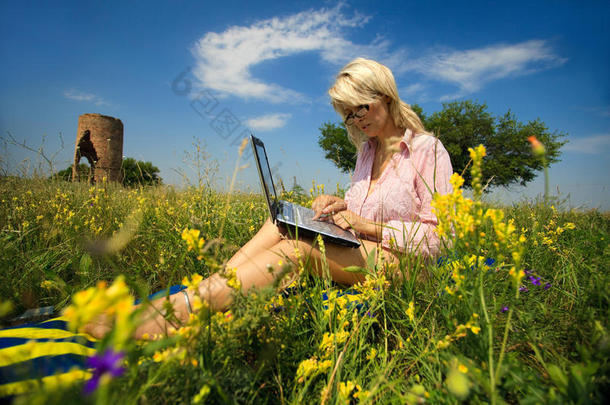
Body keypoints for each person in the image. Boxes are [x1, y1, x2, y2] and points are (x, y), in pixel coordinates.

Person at [85, 57, 453, 339]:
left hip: (409, 267)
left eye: (362, 110)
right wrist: (342, 206)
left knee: (296, 249)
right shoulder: (367, 153)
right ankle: (204, 291)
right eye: (348, 116)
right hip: (366, 248)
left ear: (385, 97)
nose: (356, 121)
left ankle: (175, 316)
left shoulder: (427, 151)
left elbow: (440, 238)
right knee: (278, 222)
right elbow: (364, 209)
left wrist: (365, 224)